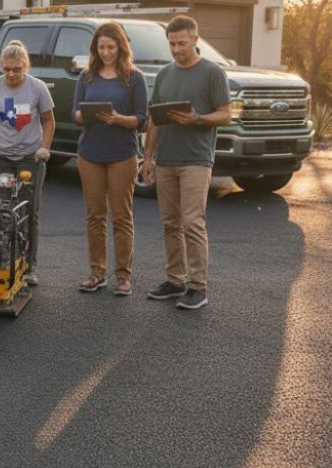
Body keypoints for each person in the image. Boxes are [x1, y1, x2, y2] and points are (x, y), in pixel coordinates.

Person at [141, 15, 230, 310]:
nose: (176, 49)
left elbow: (226, 114)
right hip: (166, 159)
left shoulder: (212, 73)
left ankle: (197, 287)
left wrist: (198, 119)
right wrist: (148, 158)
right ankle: (174, 280)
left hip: (196, 159)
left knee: (192, 223)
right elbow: (155, 117)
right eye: (172, 44)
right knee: (170, 223)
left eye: (181, 43)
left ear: (195, 40)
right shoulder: (165, 74)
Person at [72, 21, 148, 296]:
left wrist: (118, 119)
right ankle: (96, 272)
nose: (105, 52)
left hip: (122, 155)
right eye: (101, 47)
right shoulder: (86, 77)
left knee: (121, 216)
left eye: (111, 47)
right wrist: (84, 115)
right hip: (90, 153)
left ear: (121, 47)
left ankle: (123, 276)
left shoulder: (134, 77)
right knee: (94, 216)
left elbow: (142, 120)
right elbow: (75, 114)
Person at [0, 39, 55, 286]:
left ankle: (29, 266)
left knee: (28, 210)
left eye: (16, 69)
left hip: (30, 158)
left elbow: (49, 120)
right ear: (1, 66)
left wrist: (44, 147)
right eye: (6, 69)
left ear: (25, 66)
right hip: (1, 158)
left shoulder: (38, 88)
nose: (11, 74)